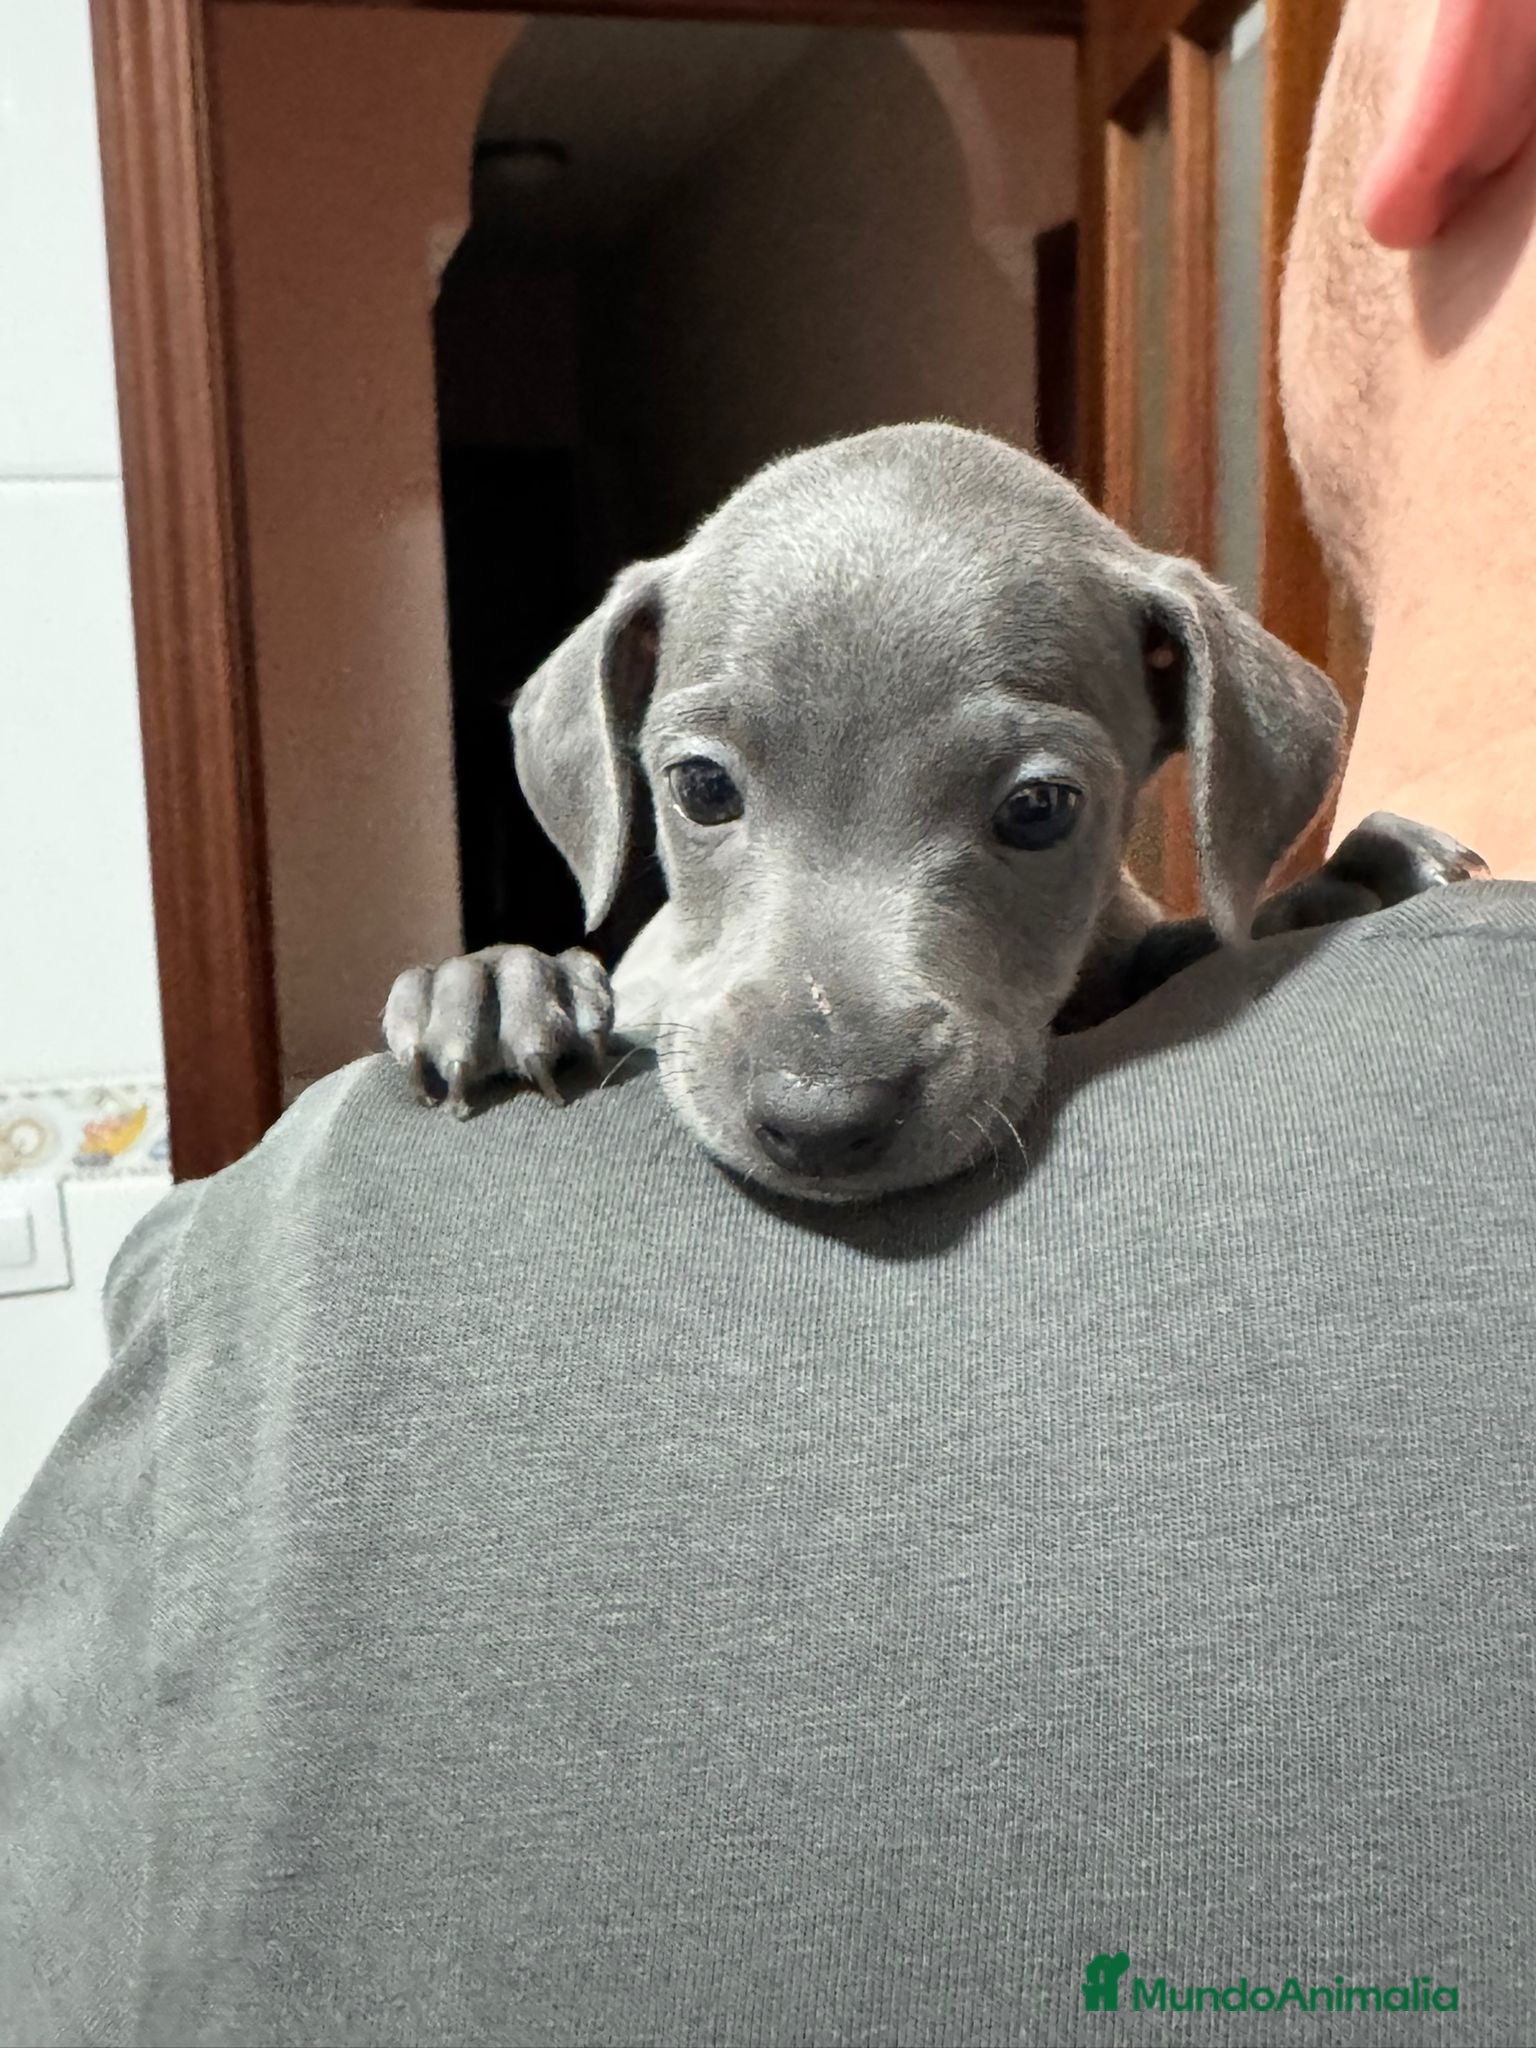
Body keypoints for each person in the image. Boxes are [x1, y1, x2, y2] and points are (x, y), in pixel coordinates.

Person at [3, 2, 1533, 2041]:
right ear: (623, 759)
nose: (821, 1042)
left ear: (1192, 742)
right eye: (711, 794)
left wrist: (1303, 931)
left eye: (1022, 816)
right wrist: (504, 978)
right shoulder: (637, 987)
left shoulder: (271, 1321)